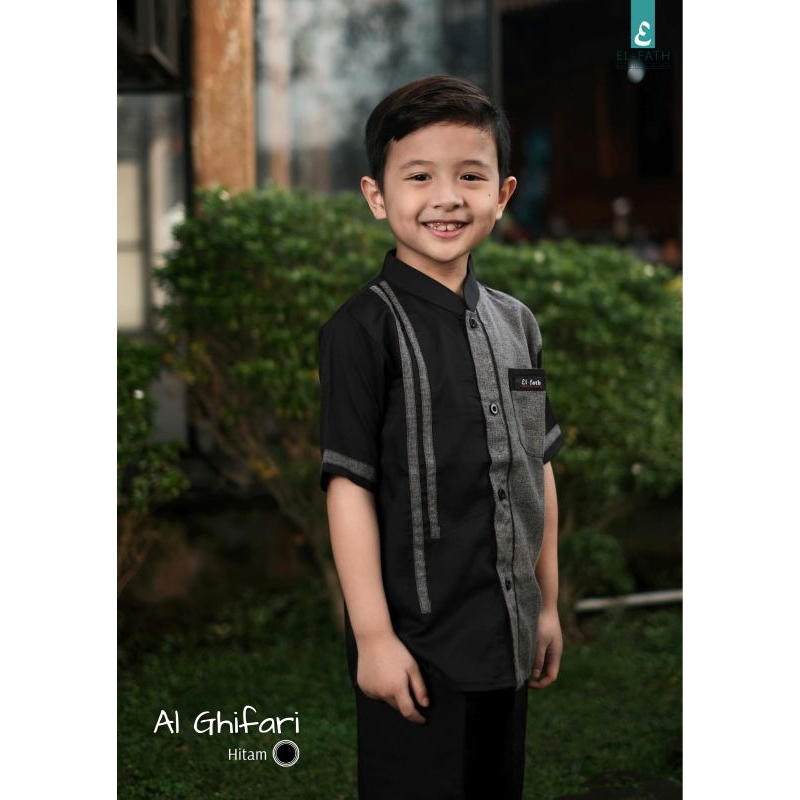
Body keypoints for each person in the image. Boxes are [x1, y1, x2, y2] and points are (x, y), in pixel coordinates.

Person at [318, 75, 565, 800]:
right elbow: (348, 485)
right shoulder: (361, 330)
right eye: (419, 176)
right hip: (415, 651)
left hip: (508, 637)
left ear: (504, 193)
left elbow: (538, 467)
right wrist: (373, 638)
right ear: (377, 196)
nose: (447, 197)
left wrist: (547, 605)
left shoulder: (518, 324)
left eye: (471, 176)